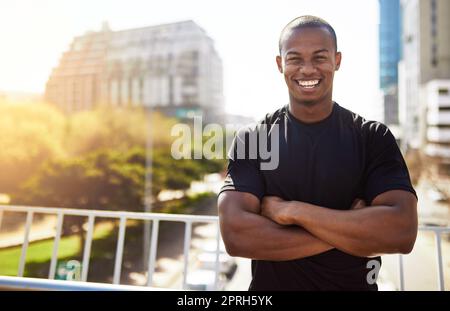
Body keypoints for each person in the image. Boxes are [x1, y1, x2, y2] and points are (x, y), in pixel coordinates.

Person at [217, 15, 418, 291]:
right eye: (295, 58)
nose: (307, 69)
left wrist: (291, 211)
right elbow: (236, 236)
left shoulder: (373, 137)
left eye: (320, 58)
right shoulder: (253, 139)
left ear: (337, 60)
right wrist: (354, 229)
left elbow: (402, 232)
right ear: (280, 64)